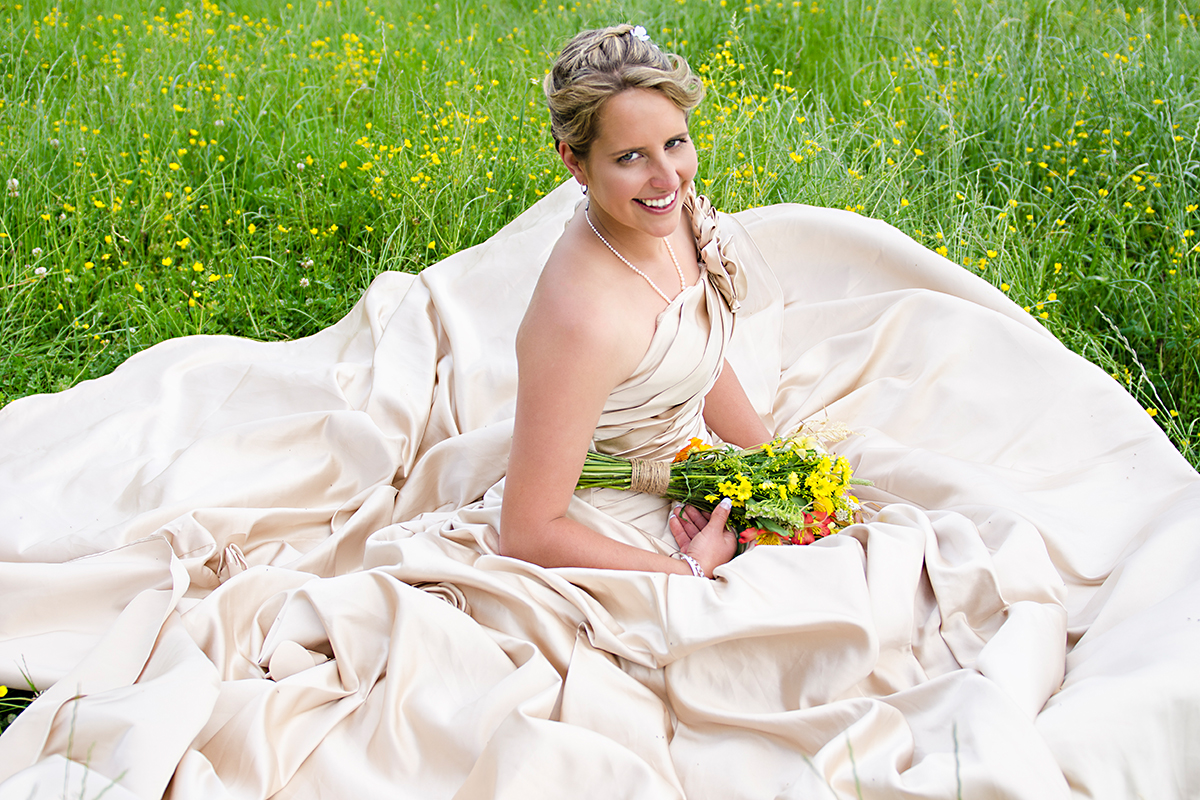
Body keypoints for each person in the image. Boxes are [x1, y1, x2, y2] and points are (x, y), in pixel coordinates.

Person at [499, 24, 772, 580]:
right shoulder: (580, 321)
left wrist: (773, 467)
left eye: (675, 143)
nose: (668, 178)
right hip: (616, 526)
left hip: (698, 471)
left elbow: (695, 352)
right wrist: (689, 571)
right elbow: (526, 533)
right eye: (630, 157)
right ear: (574, 162)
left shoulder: (664, 215)